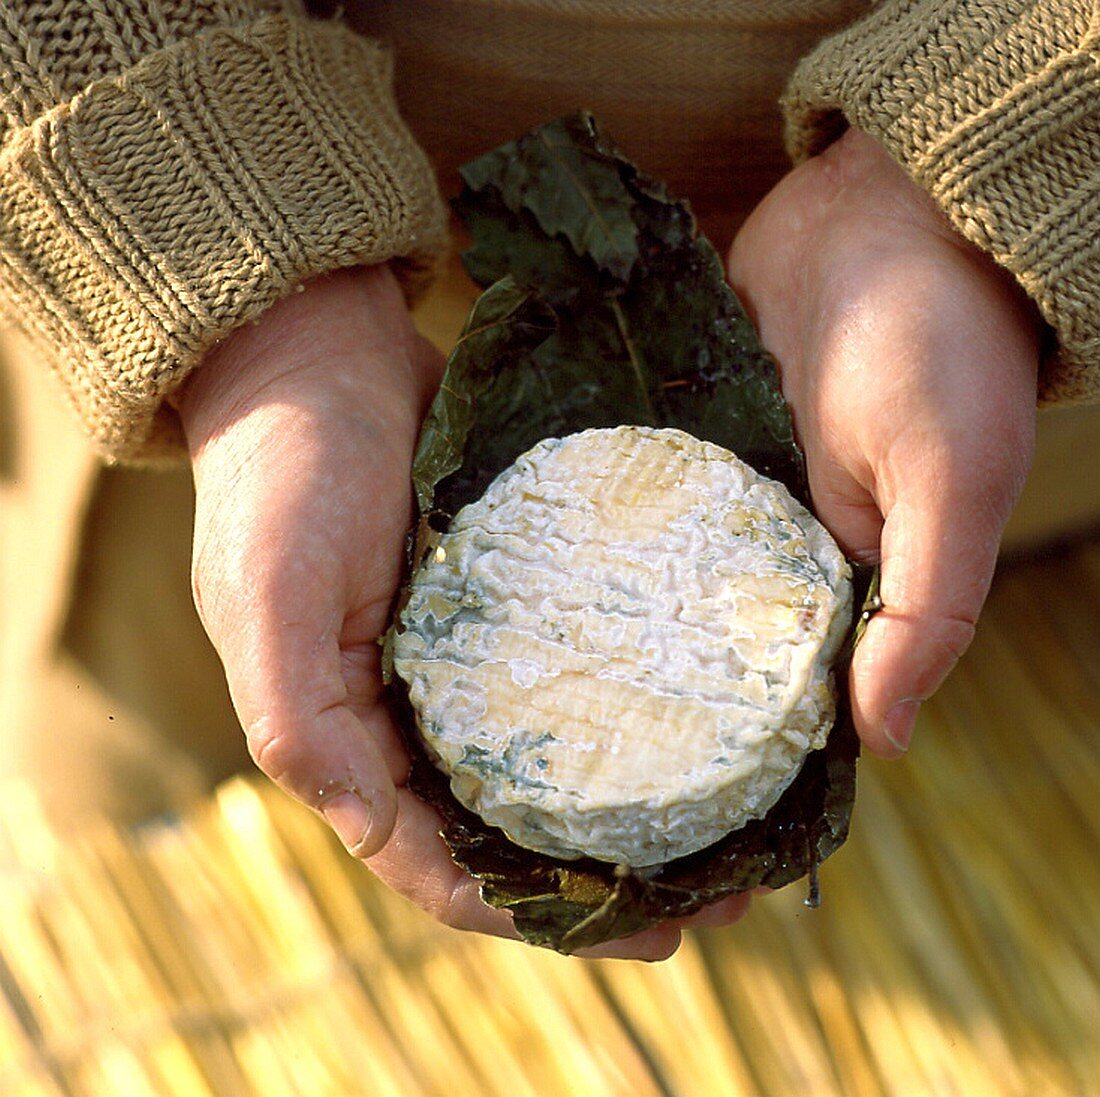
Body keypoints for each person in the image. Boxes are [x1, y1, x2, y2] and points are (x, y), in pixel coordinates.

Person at [0, 1, 1095, 960]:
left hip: (984, 305)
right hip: (261, 322)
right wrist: (255, 333)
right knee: (208, 754)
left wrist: (996, 158)